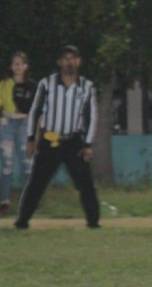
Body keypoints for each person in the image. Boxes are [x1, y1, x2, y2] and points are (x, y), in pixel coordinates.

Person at [15, 45, 99, 229]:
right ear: (59, 62)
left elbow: (91, 116)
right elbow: (35, 112)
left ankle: (93, 222)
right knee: (37, 182)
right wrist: (31, 139)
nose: (69, 62)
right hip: (50, 139)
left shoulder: (87, 86)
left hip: (74, 141)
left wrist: (88, 144)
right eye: (66, 58)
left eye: (73, 58)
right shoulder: (47, 84)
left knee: (85, 183)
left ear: (79, 61)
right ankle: (22, 221)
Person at [0, 51, 35, 216]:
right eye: (14, 63)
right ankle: (4, 201)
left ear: (26, 66)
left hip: (24, 124)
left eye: (20, 63)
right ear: (11, 66)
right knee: (7, 163)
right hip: (7, 124)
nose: (17, 66)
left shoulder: (32, 86)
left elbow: (37, 109)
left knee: (27, 164)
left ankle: (27, 203)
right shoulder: (4, 83)